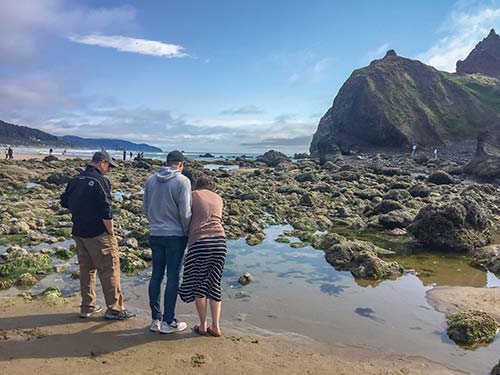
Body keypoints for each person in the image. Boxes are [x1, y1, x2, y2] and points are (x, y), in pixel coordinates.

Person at [60, 151, 135, 320]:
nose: (108, 169)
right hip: (98, 232)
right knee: (109, 270)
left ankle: (87, 306)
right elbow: (106, 210)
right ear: (101, 163)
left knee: (86, 270)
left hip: (79, 231)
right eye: (108, 166)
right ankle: (115, 309)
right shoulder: (100, 181)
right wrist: (111, 232)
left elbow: (64, 201)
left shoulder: (75, 180)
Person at [143, 150, 192, 334]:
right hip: (175, 235)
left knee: (156, 275)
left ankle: (155, 319)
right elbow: (185, 212)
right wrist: (187, 232)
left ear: (167, 162)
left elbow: (145, 208)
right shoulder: (183, 181)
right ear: (180, 164)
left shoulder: (151, 180)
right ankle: (168, 321)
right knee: (173, 277)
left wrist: (155, 223)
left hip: (155, 233)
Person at [179, 175, 226, 337]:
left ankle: (203, 325)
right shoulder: (218, 198)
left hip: (200, 243)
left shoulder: (193, 195)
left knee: (199, 284)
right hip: (220, 242)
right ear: (211, 186)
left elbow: (186, 215)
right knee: (214, 284)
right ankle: (216, 326)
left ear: (197, 185)